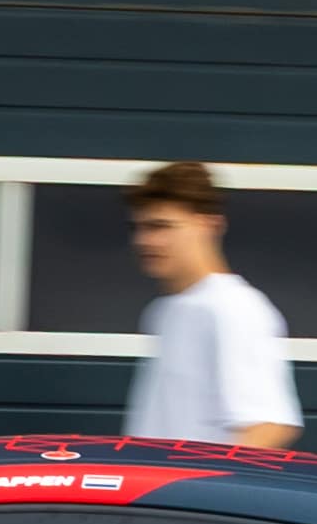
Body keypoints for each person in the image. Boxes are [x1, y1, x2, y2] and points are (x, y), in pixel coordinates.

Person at [124, 159, 302, 449]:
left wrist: (196, 493)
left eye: (161, 226)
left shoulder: (234, 308)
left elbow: (267, 428)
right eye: (140, 227)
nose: (144, 241)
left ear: (210, 225)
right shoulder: (166, 311)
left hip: (181, 494)